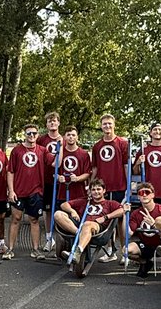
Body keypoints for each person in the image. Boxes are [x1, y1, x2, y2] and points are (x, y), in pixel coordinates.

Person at [52, 178, 128, 277]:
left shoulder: (110, 203)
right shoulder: (85, 201)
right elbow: (64, 204)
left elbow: (122, 210)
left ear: (104, 190)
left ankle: (77, 251)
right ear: (90, 191)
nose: (96, 192)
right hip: (80, 227)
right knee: (58, 214)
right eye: (93, 189)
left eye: (98, 189)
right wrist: (72, 211)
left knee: (87, 224)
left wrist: (105, 217)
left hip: (97, 228)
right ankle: (80, 236)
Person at [90, 113, 130, 261]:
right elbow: (94, 168)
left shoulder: (122, 143)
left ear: (114, 125)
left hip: (119, 186)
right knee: (105, 219)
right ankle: (110, 251)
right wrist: (90, 186)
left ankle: (125, 252)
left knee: (121, 219)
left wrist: (128, 186)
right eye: (104, 124)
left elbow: (126, 166)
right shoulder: (97, 146)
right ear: (101, 126)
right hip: (102, 188)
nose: (107, 126)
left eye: (109, 124)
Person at [6, 122, 47, 259]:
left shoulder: (42, 150)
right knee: (15, 219)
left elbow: (56, 163)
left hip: (35, 191)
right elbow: (10, 171)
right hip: (19, 191)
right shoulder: (17, 151)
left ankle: (35, 249)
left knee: (34, 220)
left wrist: (62, 145)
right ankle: (10, 249)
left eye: (34, 133)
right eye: (29, 133)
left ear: (37, 135)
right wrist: (11, 191)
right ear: (25, 135)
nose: (31, 136)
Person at [125, 182, 161, 277]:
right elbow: (129, 233)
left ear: (153, 195)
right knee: (126, 250)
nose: (144, 195)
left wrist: (154, 224)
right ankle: (145, 263)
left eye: (147, 192)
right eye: (141, 193)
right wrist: (124, 215)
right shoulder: (136, 213)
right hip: (146, 244)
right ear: (138, 197)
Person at [134, 121, 161, 210]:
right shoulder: (143, 150)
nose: (157, 131)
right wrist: (137, 163)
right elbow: (136, 172)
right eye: (155, 129)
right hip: (147, 194)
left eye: (159, 129)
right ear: (150, 133)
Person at [54, 126, 92, 207]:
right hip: (62, 193)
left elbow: (87, 173)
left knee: (77, 217)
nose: (71, 137)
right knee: (60, 217)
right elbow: (53, 172)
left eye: (73, 135)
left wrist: (77, 178)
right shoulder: (60, 153)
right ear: (64, 137)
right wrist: (58, 177)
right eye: (68, 135)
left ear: (77, 137)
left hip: (79, 193)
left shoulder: (84, 154)